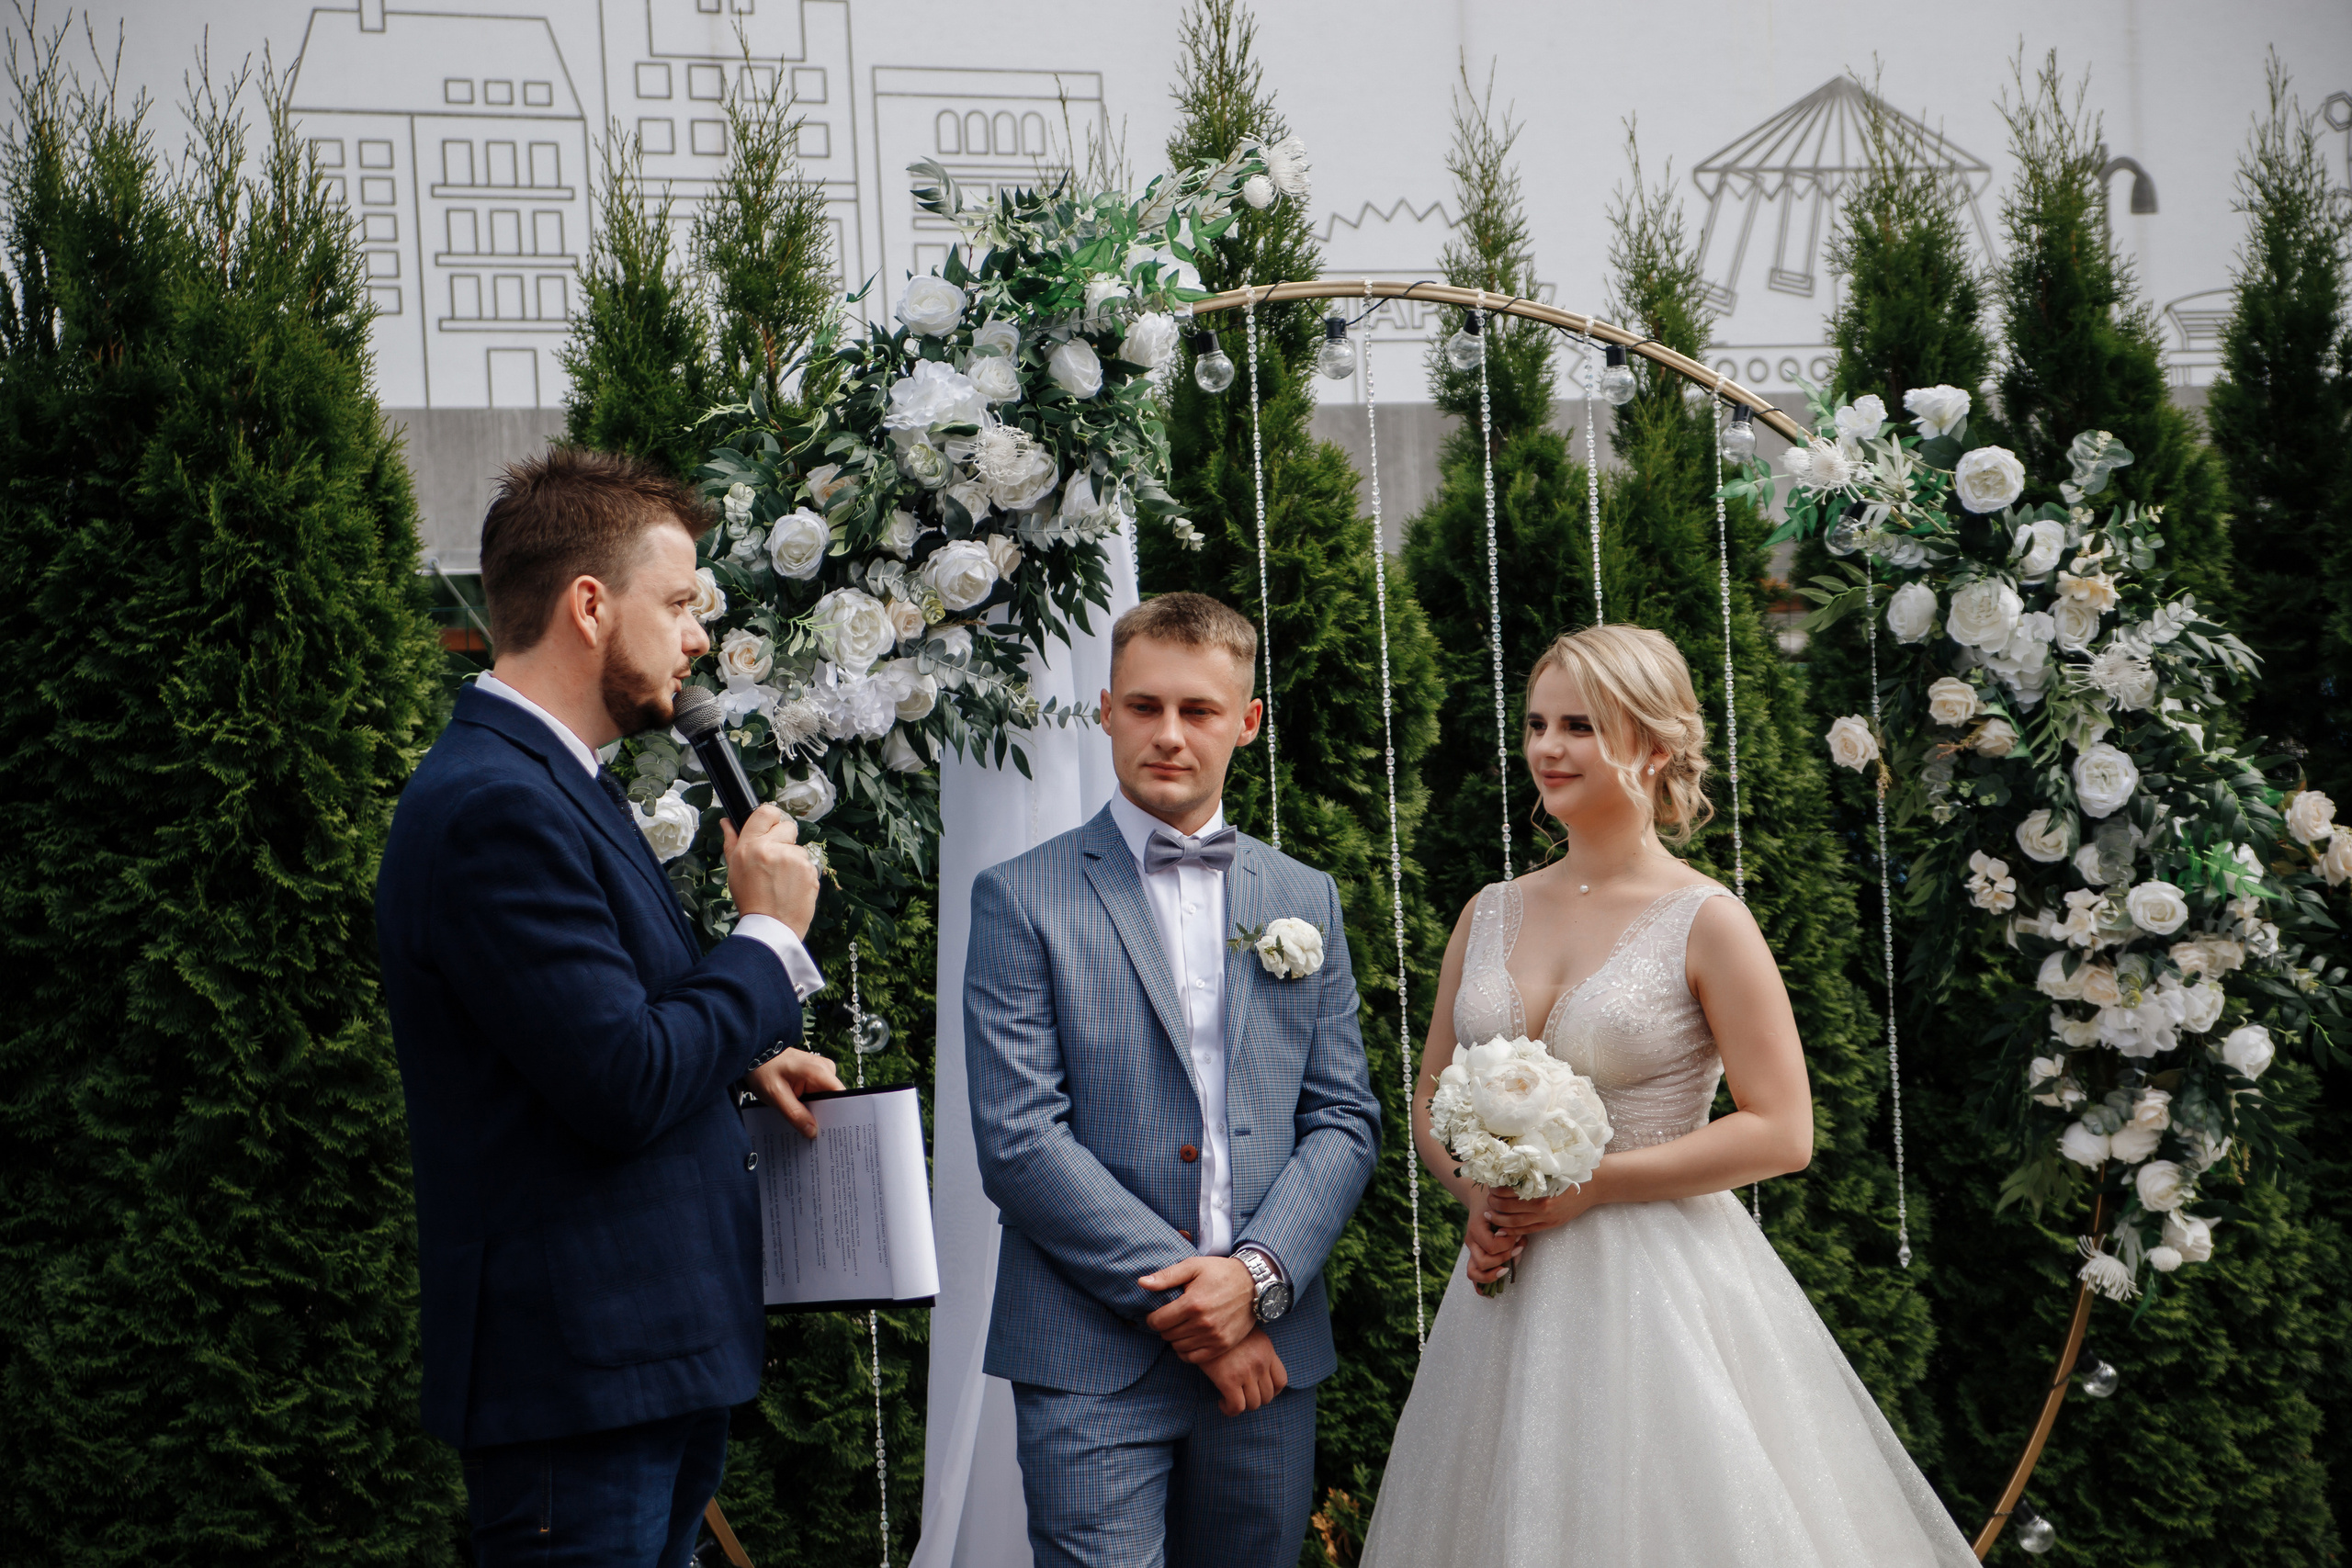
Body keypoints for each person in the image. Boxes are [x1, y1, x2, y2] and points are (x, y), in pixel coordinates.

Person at [1359, 624, 1976, 1567]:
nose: (1547, 748)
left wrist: (1597, 1184)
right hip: (1505, 1296)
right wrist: (1476, 1195)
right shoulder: (1488, 910)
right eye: (1536, 723)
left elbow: (1783, 1130)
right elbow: (1431, 1095)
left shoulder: (1708, 921)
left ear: (1654, 745)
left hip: (1660, 1292)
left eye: (1579, 725)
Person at [376, 447, 840, 1568]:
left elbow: (594, 1034)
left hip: (637, 1367)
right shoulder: (495, 806)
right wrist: (770, 940)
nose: (696, 639)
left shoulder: (553, 782)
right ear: (590, 604)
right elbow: (620, 1080)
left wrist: (737, 1063)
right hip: (579, 1381)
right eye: (679, 603)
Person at [964, 592, 1383, 1568]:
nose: (1167, 734)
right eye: (1144, 707)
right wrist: (1201, 1313)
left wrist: (1257, 1279)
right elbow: (1021, 1139)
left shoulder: (1301, 896)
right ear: (1107, 710)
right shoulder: (1020, 898)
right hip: (1087, 1359)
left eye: (1197, 711)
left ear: (1245, 723)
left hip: (1269, 1357)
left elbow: (1342, 1118)